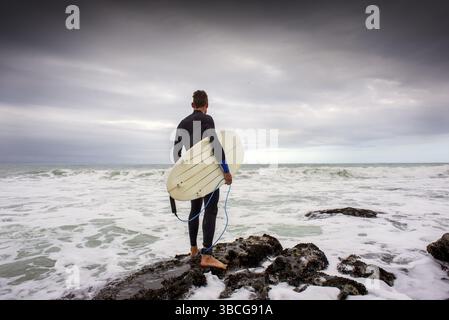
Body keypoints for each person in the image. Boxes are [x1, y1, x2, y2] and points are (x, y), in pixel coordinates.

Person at [173, 90, 232, 269]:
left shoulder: (182, 123)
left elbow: (177, 154)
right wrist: (226, 171)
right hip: (208, 173)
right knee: (211, 210)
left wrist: (186, 174)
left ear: (192, 105)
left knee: (195, 209)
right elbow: (215, 144)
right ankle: (206, 256)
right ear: (206, 105)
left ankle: (193, 249)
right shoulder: (207, 119)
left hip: (192, 173)